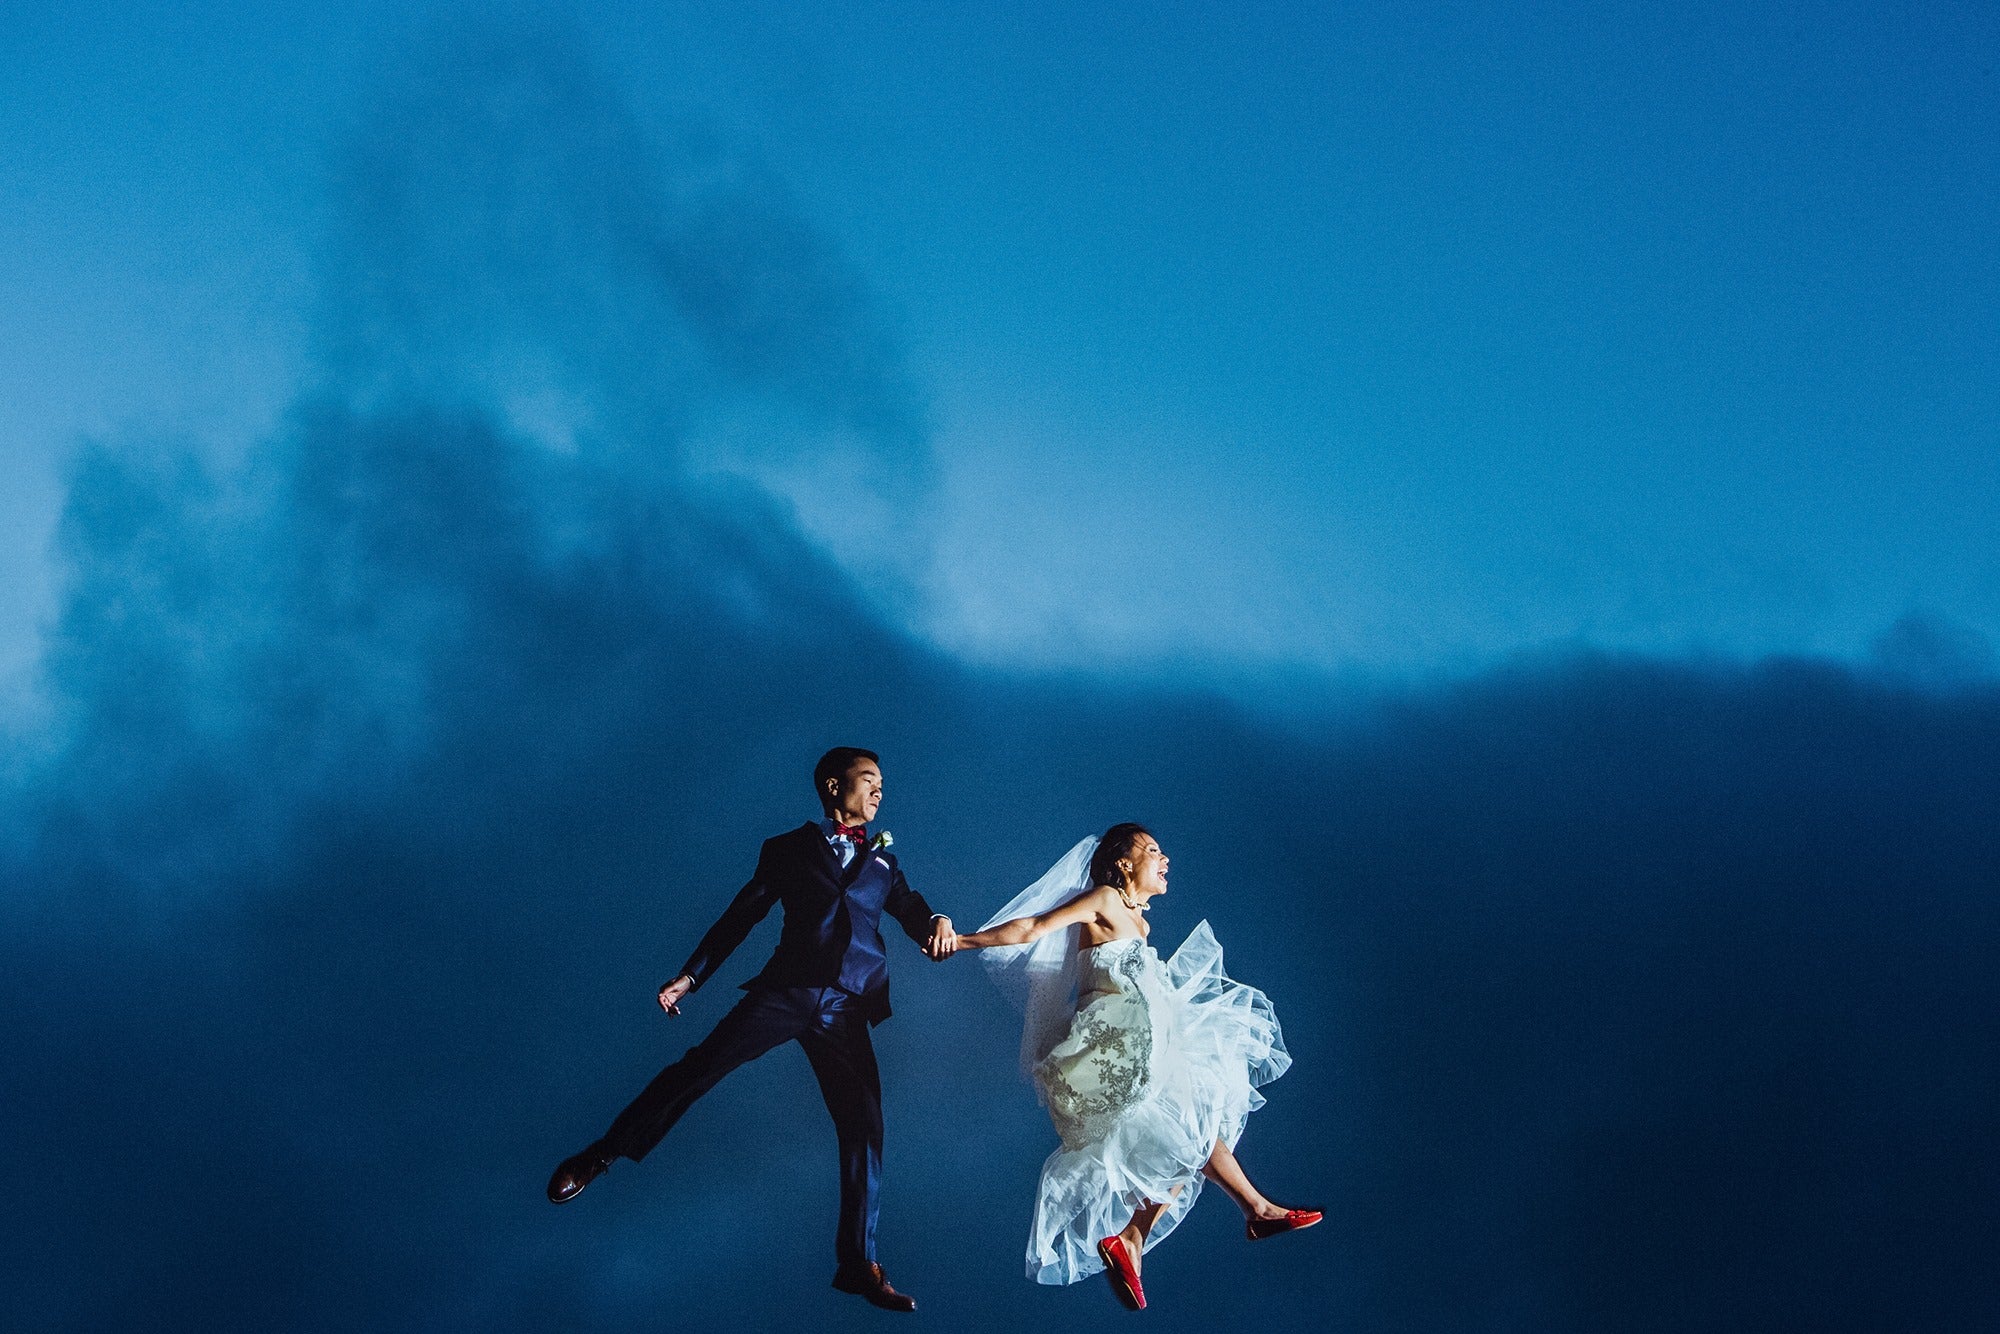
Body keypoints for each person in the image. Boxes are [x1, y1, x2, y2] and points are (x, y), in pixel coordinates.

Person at [546, 747, 957, 1313]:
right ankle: (602, 1153)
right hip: (786, 991)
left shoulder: (884, 860)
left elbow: (910, 907)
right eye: (869, 781)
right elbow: (742, 916)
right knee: (700, 1066)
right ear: (834, 787)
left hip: (846, 1004)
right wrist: (692, 977)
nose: (880, 791)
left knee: (864, 1123)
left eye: (883, 783)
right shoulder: (786, 849)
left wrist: (936, 921)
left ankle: (858, 1263)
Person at [954, 824, 1316, 1311]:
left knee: (1192, 1128)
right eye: (1152, 851)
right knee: (1191, 1125)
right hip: (1115, 1050)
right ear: (1124, 863)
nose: (1164, 859)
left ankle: (1150, 1234)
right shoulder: (1103, 899)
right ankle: (1250, 1211)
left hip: (1151, 1044)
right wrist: (961, 941)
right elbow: (1033, 928)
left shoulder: (1141, 927)